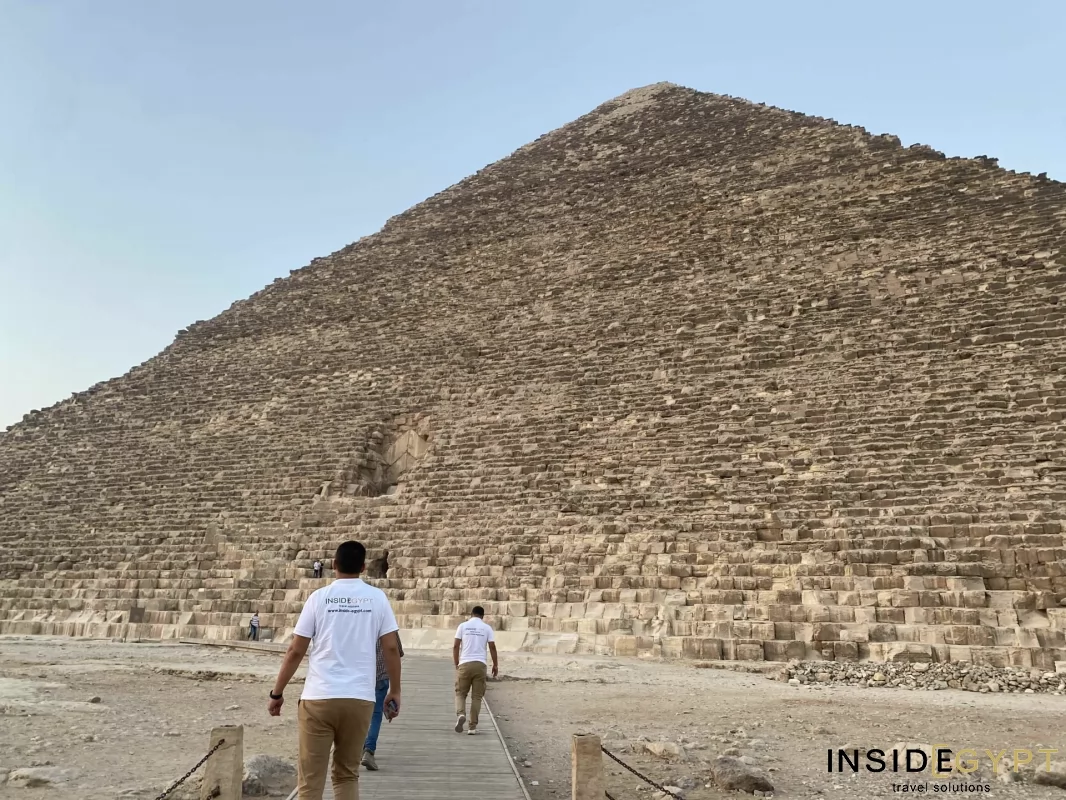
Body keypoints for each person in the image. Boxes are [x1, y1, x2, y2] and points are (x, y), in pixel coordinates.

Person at [267, 541, 401, 800]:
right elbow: (391, 648)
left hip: (319, 698)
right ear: (363, 567)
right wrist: (394, 690)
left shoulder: (318, 598)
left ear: (333, 564)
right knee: (347, 775)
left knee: (310, 782)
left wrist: (277, 693)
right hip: (359, 699)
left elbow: (295, 650)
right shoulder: (377, 598)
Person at [361, 631, 404, 771]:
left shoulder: (360, 623)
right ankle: (369, 750)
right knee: (376, 714)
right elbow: (396, 650)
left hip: (361, 677)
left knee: (359, 713)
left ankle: (357, 747)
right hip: (381, 677)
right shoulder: (386, 623)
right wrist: (395, 689)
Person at [452, 605, 498, 735]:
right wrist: (495, 665)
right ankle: (472, 727)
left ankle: (461, 714)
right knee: (477, 697)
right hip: (480, 664)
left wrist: (456, 662)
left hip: (465, 663)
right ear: (482, 616)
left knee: (460, 693)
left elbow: (456, 646)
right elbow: (492, 647)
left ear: (471, 614)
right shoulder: (487, 628)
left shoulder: (462, 626)